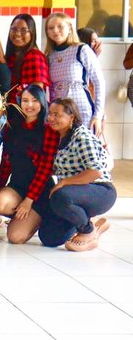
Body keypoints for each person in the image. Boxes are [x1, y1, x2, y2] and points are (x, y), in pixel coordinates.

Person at [0, 85, 58, 240]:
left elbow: (45, 169)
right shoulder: (12, 126)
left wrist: (28, 201)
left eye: (35, 101)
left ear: (42, 103)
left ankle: (36, 217)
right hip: (18, 186)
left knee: (15, 237)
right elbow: (5, 164)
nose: (29, 105)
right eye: (25, 101)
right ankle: (23, 218)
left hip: (40, 191)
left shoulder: (49, 130)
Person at [40, 98, 116, 251]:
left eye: (57, 115)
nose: (52, 118)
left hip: (100, 190)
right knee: (49, 237)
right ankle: (89, 222)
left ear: (71, 117)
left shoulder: (82, 136)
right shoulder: (59, 136)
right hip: (75, 194)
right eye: (50, 114)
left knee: (60, 196)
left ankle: (88, 230)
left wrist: (64, 182)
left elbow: (95, 171)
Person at [45, 12, 105, 137]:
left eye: (60, 26)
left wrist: (98, 116)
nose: (55, 31)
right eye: (51, 28)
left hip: (83, 111)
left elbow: (99, 82)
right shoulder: (49, 56)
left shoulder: (82, 49)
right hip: (60, 115)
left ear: (70, 28)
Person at [6, 13, 50, 99]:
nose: (18, 34)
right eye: (14, 29)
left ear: (32, 33)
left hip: (26, 110)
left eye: (24, 30)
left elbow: (36, 95)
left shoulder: (35, 57)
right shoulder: (11, 56)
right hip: (9, 109)